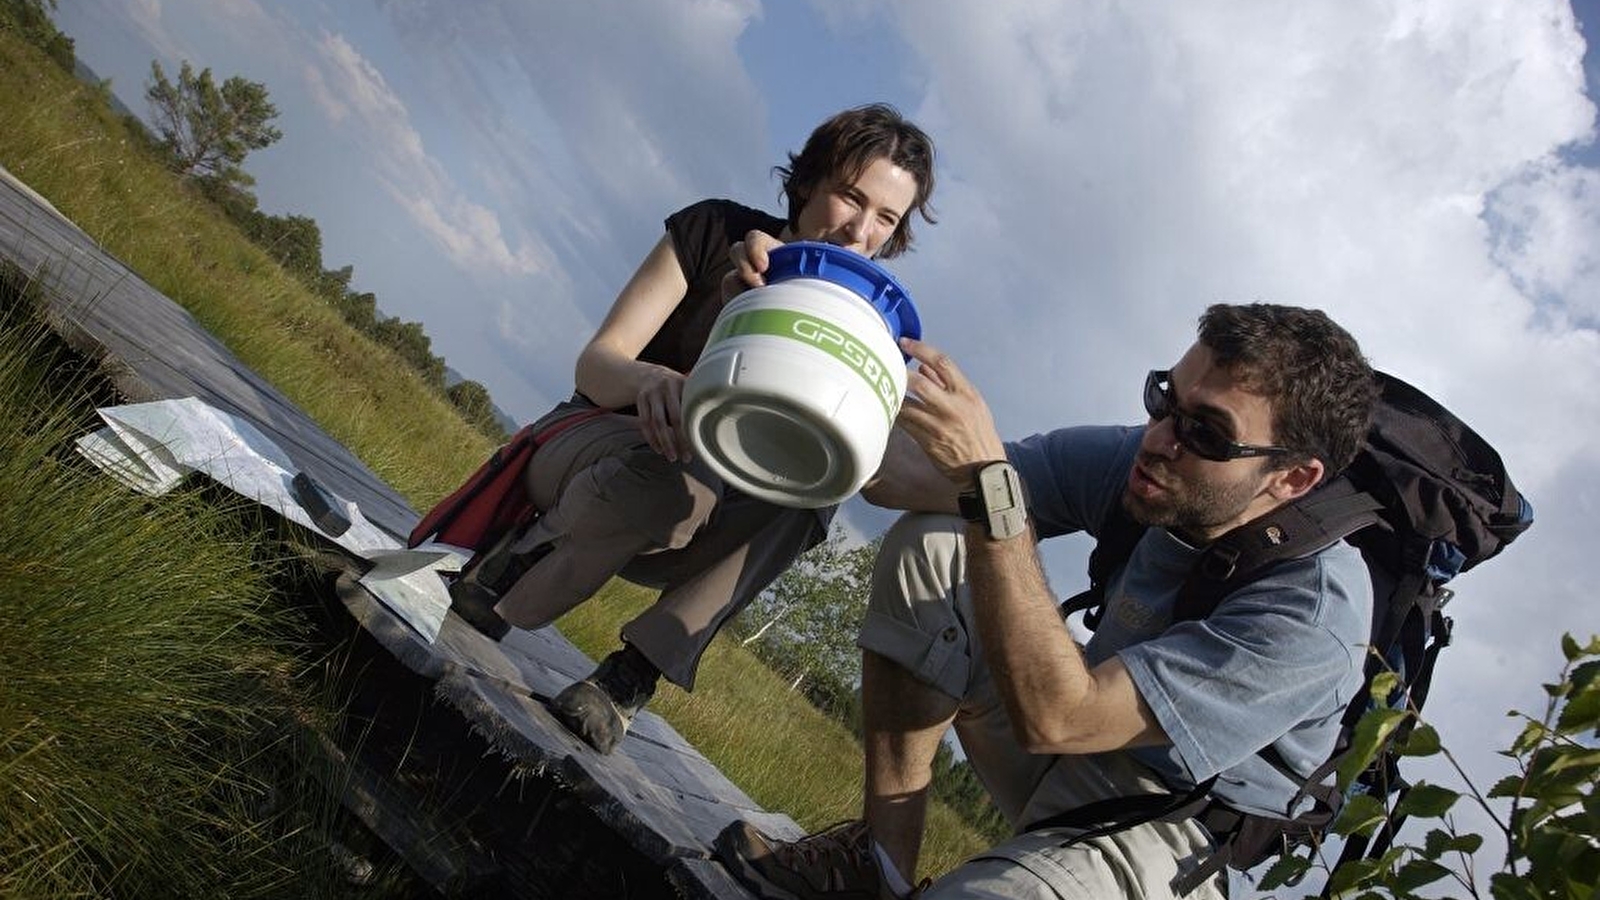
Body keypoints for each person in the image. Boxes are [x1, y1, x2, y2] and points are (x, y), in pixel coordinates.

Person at [716, 302, 1380, 899]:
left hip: (1161, 826)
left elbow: (1060, 717)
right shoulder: (1142, 462)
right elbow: (905, 481)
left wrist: (986, 481)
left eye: (1205, 435)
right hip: (1068, 731)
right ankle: (878, 867)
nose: (1158, 440)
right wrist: (799, 347)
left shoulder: (1310, 617)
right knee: (936, 542)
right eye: (1163, 398)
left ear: (1292, 478)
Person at [446, 103, 938, 755]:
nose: (860, 230)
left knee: (818, 490)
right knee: (686, 466)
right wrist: (653, 379)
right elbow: (597, 364)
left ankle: (630, 676)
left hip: (694, 523)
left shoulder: (863, 328)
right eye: (852, 196)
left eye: (886, 219)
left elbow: (873, 471)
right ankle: (512, 574)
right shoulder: (715, 231)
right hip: (590, 454)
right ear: (810, 180)